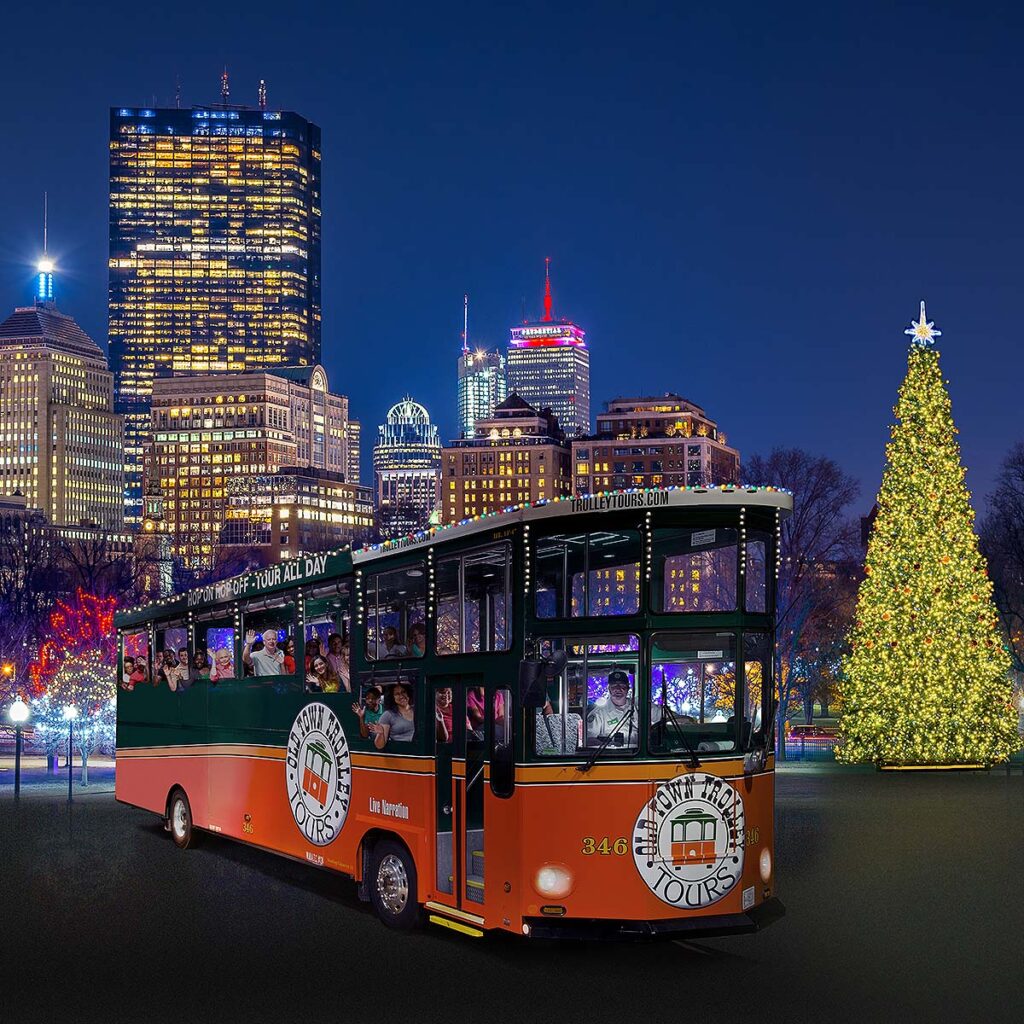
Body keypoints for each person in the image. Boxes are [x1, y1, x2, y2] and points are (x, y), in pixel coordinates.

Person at [585, 669, 638, 747]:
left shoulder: (638, 706)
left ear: (628, 688)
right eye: (614, 686)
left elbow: (660, 715)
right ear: (609, 689)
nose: (618, 689)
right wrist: (608, 745)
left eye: (622, 685)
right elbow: (589, 739)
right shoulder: (599, 713)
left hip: (638, 753)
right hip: (612, 755)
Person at [372, 682, 415, 748]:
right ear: (392, 697)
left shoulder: (417, 710)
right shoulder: (388, 715)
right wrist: (380, 734)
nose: (401, 696)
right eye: (397, 694)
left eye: (403, 692)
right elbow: (379, 746)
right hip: (401, 754)